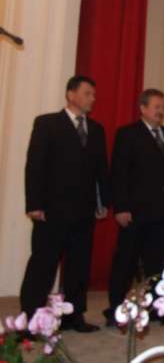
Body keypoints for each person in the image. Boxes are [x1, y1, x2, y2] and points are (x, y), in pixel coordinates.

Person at [20, 75, 109, 333]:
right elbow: (35, 166)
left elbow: (101, 170)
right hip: (51, 211)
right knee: (43, 265)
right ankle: (31, 318)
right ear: (71, 95)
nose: (92, 99)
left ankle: (74, 316)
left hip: (84, 211)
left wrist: (103, 201)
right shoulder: (47, 123)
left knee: (79, 266)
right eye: (87, 93)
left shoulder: (97, 130)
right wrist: (34, 204)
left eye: (93, 94)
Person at [104, 89, 164, 325]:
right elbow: (119, 173)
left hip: (162, 212)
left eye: (163, 107)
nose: (161, 111)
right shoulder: (128, 134)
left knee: (158, 264)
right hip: (134, 212)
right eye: (156, 106)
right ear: (143, 108)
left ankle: (160, 309)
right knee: (126, 262)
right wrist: (120, 207)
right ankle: (116, 309)